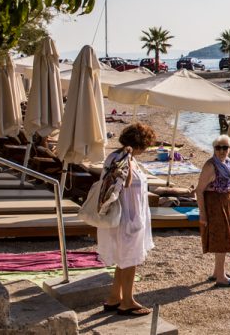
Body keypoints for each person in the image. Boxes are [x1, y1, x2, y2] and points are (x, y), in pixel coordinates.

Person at [98, 123, 157, 316]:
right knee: (130, 259)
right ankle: (128, 301)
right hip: (127, 217)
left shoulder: (115, 156)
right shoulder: (123, 159)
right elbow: (123, 184)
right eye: (145, 145)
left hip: (123, 216)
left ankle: (115, 296)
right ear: (140, 144)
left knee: (122, 259)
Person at [195, 135, 230, 287]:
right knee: (221, 240)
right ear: (213, 149)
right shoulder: (210, 165)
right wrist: (202, 213)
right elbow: (199, 190)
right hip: (214, 204)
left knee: (224, 237)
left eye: (225, 147)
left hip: (226, 201)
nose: (221, 151)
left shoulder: (228, 163)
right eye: (218, 147)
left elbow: (229, 183)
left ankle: (217, 272)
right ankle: (221, 277)